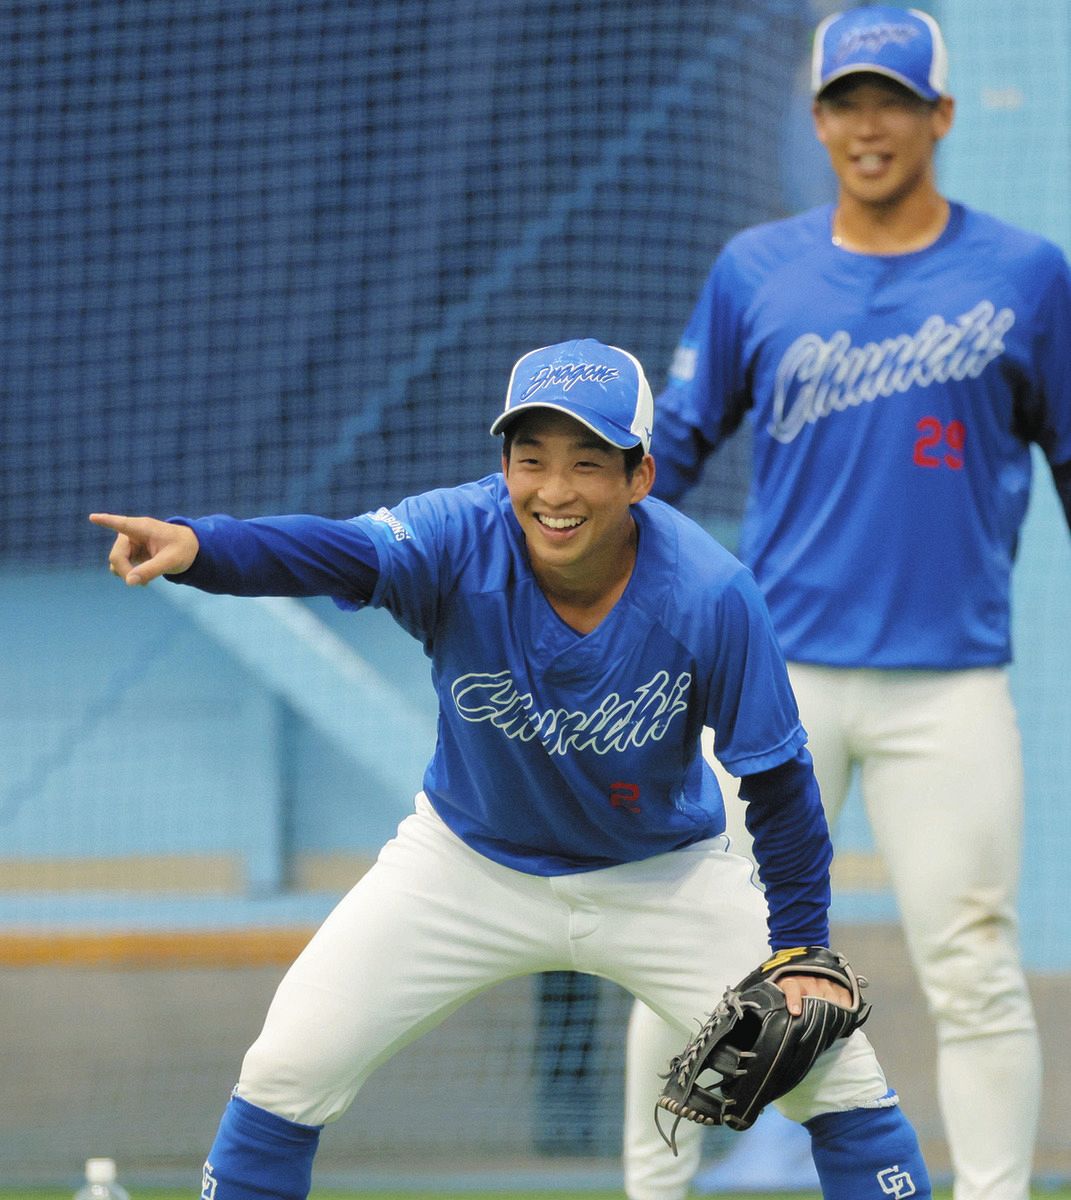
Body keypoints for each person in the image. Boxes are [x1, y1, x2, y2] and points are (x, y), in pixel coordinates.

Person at [91, 337, 931, 1200]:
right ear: (503, 466)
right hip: (464, 866)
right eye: (530, 459)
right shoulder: (457, 536)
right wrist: (203, 546)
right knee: (284, 1069)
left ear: (640, 475)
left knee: (844, 1085)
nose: (554, 490)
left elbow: (779, 785)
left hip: (661, 878)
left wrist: (799, 946)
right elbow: (337, 551)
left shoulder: (710, 595)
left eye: (587, 462)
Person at [623, 6, 1071, 1200]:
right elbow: (663, 456)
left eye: (893, 101)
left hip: (952, 686)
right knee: (690, 955)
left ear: (941, 117)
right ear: (817, 120)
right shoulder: (755, 271)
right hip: (778, 685)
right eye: (845, 102)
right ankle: (650, 1192)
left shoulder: (1026, 274)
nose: (868, 126)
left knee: (972, 964)